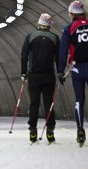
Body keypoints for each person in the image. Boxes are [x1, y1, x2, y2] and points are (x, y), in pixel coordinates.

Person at [21, 13, 60, 143]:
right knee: (49, 104)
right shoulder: (55, 38)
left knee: (34, 104)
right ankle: (50, 131)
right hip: (49, 76)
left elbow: (24, 56)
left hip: (33, 76)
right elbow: (59, 58)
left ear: (38, 23)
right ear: (49, 26)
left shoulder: (30, 37)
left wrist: (23, 72)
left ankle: (32, 130)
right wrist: (60, 72)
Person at [58, 1, 88, 144]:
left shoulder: (68, 29)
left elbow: (63, 51)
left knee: (79, 100)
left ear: (71, 14)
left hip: (76, 69)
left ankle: (80, 130)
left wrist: (60, 71)